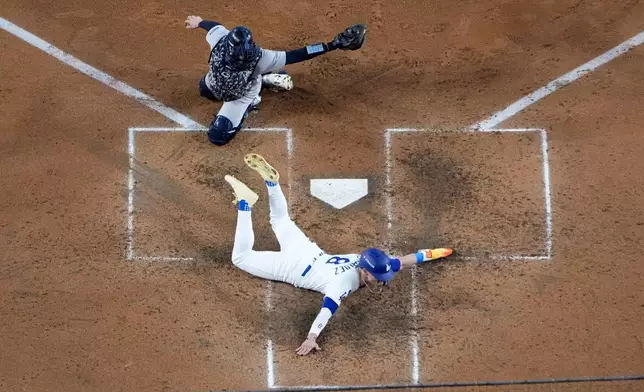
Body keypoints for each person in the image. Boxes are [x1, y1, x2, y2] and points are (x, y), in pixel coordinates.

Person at [224, 153, 454, 355]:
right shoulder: (343, 283)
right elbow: (327, 311)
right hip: (292, 266)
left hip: (306, 250)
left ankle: (272, 185)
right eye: (378, 277)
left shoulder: (374, 264)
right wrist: (311, 338)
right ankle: (245, 204)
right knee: (241, 258)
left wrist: (436, 253)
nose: (381, 281)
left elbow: (406, 260)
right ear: (364, 271)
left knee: (281, 220)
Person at [185, 15, 367, 146]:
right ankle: (265, 79)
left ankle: (256, 94)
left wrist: (331, 45)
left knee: (218, 136)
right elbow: (214, 26)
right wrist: (200, 22)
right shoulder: (220, 41)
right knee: (204, 90)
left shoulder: (261, 57)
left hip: (242, 93)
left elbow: (298, 54)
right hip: (216, 83)